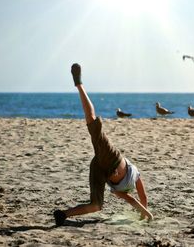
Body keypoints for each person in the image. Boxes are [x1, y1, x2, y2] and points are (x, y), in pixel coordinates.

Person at [53, 63, 153, 226]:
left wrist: (144, 214)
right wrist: (147, 213)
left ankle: (63, 214)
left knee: (96, 205)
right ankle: (79, 84)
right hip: (112, 157)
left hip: (99, 168)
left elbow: (132, 200)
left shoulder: (119, 191)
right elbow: (142, 197)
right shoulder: (135, 174)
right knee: (93, 125)